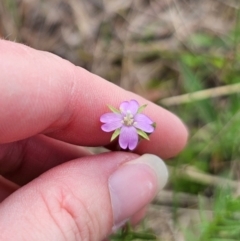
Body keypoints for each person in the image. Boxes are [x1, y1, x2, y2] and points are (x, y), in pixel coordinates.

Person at [0, 39, 188, 240]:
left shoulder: (135, 124)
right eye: (125, 118)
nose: (127, 118)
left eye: (130, 118)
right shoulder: (123, 122)